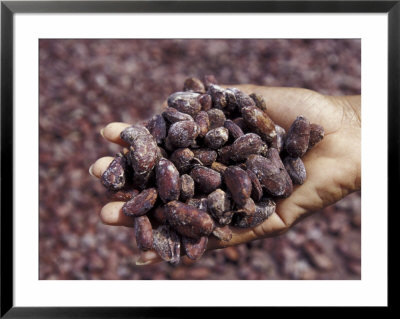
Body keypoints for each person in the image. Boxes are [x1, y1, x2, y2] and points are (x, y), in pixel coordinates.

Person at [89, 85, 361, 265]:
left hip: (225, 174)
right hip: (193, 177)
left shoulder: (259, 150)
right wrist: (353, 121)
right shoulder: (177, 163)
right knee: (175, 180)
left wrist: (353, 123)